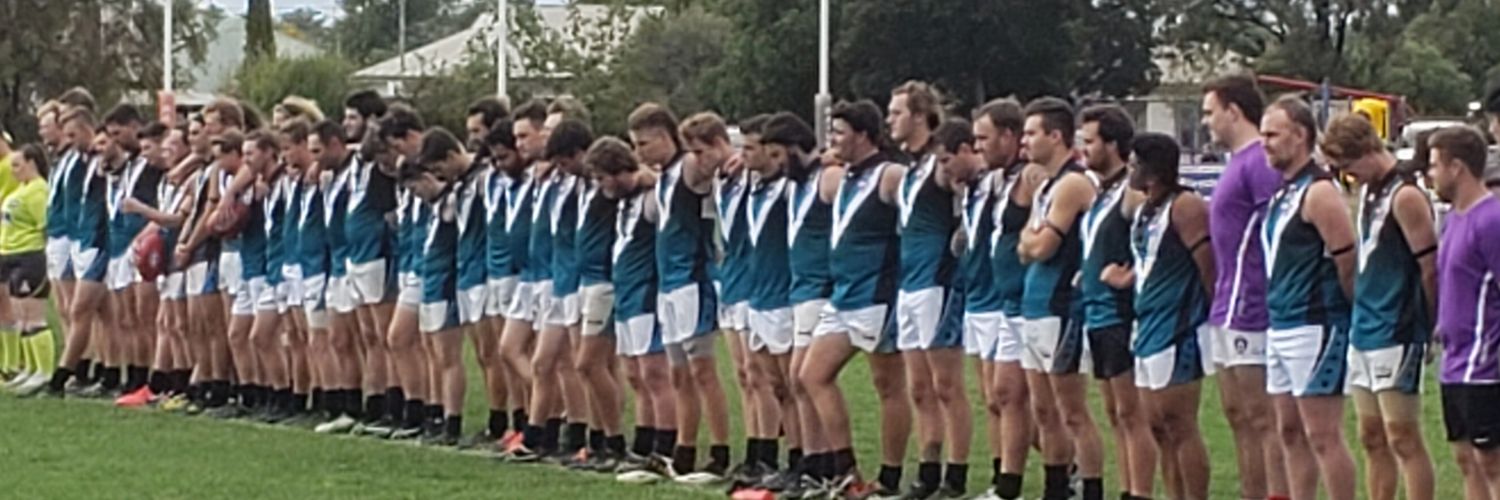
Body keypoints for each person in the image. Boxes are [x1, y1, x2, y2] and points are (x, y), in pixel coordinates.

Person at [1320, 114, 1438, 500]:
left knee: (1402, 436)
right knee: (1370, 436)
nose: (1348, 175)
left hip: (1397, 327)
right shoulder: (1372, 192)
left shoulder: (1405, 195)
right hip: (1365, 325)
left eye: (1348, 165)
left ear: (1368, 150)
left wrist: (1432, 324)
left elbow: (1429, 267)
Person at [795, 100, 909, 497]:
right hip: (842, 296)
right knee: (811, 375)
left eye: (840, 132)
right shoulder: (842, 176)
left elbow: (916, 215)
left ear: (862, 134)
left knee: (888, 386)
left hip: (876, 296)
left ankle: (890, 478)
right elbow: (803, 166)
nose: (833, 140)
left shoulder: (890, 174)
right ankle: (846, 470)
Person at [1260, 96, 1358, 500]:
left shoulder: (1319, 192)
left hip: (1314, 323)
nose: (1264, 143)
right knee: (1288, 430)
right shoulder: (1284, 192)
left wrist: (1345, 312)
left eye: (1272, 134)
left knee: (1322, 433)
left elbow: (1347, 256)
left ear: (1299, 136)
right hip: (1280, 321)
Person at [1200, 74, 1289, 500]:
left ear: (1233, 111)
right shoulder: (1235, 162)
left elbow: (1279, 233)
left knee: (1261, 416)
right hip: (1225, 304)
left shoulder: (1259, 163)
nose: (1206, 123)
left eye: (1209, 112)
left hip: (1252, 305)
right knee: (1237, 414)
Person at [1113, 133, 1215, 500]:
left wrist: (1209, 312)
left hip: (1177, 326)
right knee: (1156, 426)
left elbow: (1207, 266)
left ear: (1153, 171)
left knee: (1179, 423)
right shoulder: (1145, 208)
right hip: (1146, 324)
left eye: (1135, 163)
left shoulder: (1185, 206)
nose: (1129, 170)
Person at [1016, 97, 1104, 500]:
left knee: (1071, 410)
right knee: (1043, 410)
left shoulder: (1073, 182)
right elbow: (1023, 244)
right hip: (1034, 303)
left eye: (1032, 133)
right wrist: (1031, 241)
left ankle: (1091, 488)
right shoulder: (1046, 185)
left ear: (1055, 136)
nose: (1025, 141)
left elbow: (1043, 245)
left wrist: (1032, 241)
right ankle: (1055, 487)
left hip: (1058, 306)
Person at [887, 82, 970, 499]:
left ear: (920, 116)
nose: (890, 120)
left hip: (936, 281)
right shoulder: (909, 166)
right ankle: (928, 468)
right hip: (909, 282)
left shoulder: (940, 161)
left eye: (897, 112)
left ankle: (955, 475)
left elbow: (965, 192)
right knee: (918, 387)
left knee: (946, 385)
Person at [756, 112, 841, 497]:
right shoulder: (799, 183)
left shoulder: (826, 176)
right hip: (800, 288)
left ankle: (828, 464)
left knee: (806, 378)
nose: (774, 164)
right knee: (798, 380)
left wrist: (831, 158)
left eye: (777, 155)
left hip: (820, 289)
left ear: (793, 149)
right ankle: (811, 461)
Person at [584, 136, 674, 483]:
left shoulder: (650, 197)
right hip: (626, 294)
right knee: (635, 375)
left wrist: (650, 175)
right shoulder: (624, 200)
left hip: (646, 294)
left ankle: (665, 448)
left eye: (602, 177)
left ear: (619, 171)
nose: (600, 186)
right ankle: (644, 442)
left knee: (654, 374)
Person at [1077, 104, 1155, 500]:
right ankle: (1125, 487)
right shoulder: (1100, 192)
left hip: (1119, 314)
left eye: (1089, 141)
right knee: (1114, 414)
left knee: (1131, 413)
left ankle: (1138, 492)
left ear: (1112, 144)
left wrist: (1134, 276)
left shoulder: (1130, 191)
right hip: (1095, 313)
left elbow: (1159, 238)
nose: (1083, 150)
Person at [655, 110, 734, 483]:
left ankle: (719, 451)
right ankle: (683, 450)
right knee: (678, 372)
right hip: (668, 282)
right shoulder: (664, 174)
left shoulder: (692, 168)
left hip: (692, 278)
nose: (695, 157)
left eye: (700, 150)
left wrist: (725, 156)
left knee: (702, 370)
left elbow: (708, 166)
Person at [1426, 125, 1500, 499]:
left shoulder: (1492, 220)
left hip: (1484, 365)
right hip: (1454, 361)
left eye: (1434, 165)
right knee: (1465, 459)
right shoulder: (1453, 218)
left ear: (1457, 167)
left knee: (1492, 462)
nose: (1429, 174)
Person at [969, 99, 1035, 500]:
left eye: (984, 138)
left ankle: (1075, 473)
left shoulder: (1031, 177)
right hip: (1006, 302)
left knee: (1054, 406)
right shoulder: (996, 179)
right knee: (1003, 395)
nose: (978, 147)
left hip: (1034, 303)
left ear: (1009, 137)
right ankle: (1006, 483)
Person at [733, 113, 795, 486]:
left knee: (791, 385)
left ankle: (797, 459)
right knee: (765, 380)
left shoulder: (788, 188)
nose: (744, 155)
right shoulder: (753, 187)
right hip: (756, 295)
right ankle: (764, 455)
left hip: (782, 295)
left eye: (752, 148)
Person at [481, 118, 533, 449]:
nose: (501, 165)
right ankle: (521, 419)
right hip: (499, 271)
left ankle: (543, 415)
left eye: (505, 157)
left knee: (522, 351)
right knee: (507, 353)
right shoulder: (498, 181)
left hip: (524, 273)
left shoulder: (534, 179)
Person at [6, 145, 57, 396]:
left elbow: (45, 225)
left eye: (17, 165)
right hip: (12, 255)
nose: (13, 171)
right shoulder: (22, 189)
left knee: (34, 315)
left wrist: (47, 257)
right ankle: (31, 368)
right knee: (21, 316)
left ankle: (44, 372)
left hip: (30, 256)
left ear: (32, 163)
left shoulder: (38, 190)